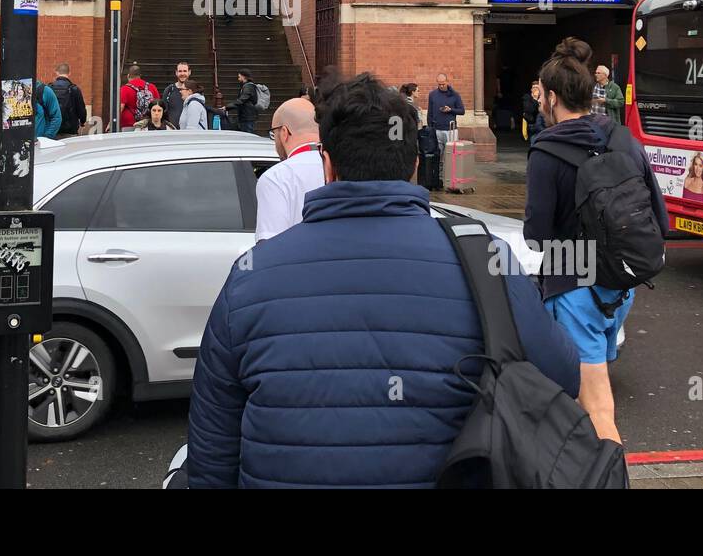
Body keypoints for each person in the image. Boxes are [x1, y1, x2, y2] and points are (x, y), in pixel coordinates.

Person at [186, 73, 579, 489]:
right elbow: (562, 376)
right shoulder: (487, 262)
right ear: (413, 166)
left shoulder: (250, 276)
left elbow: (212, 448)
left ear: (327, 166)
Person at [525, 37, 667, 444]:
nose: (538, 103)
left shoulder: (546, 152)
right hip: (622, 285)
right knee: (589, 391)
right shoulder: (624, 139)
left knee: (597, 406)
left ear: (552, 97)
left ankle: (610, 473)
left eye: (540, 94)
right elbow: (659, 215)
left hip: (574, 291)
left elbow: (536, 237)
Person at [254, 97, 325, 242]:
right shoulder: (341, 167)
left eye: (274, 134)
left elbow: (270, 245)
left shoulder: (276, 177)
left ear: (284, 132)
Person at [427, 72, 465, 160]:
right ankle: (437, 172)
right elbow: (430, 112)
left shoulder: (455, 95)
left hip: (450, 129)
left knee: (451, 155)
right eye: (439, 84)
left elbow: (462, 111)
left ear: (447, 81)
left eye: (443, 84)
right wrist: (430, 128)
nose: (441, 86)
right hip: (437, 128)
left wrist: (450, 110)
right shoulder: (432, 94)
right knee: (437, 154)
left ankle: (450, 173)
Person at [49, 63, 88, 137]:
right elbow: (81, 108)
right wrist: (82, 121)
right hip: (70, 129)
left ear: (56, 72)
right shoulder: (74, 89)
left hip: (53, 129)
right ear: (69, 73)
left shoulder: (49, 88)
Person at [119, 64, 158, 130]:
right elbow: (158, 104)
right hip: (147, 125)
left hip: (129, 125)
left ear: (128, 76)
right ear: (140, 75)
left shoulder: (124, 89)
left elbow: (120, 107)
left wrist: (111, 123)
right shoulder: (152, 87)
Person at [160, 61, 192, 129]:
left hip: (189, 131)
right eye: (180, 71)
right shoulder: (169, 90)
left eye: (185, 71)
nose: (182, 73)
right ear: (176, 73)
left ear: (189, 72)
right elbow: (163, 111)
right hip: (172, 131)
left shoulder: (194, 90)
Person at [232, 69, 259, 133]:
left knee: (248, 134)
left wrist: (227, 107)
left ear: (244, 77)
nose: (238, 79)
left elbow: (242, 100)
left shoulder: (248, 87)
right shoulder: (246, 86)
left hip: (247, 116)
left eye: (239, 77)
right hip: (246, 115)